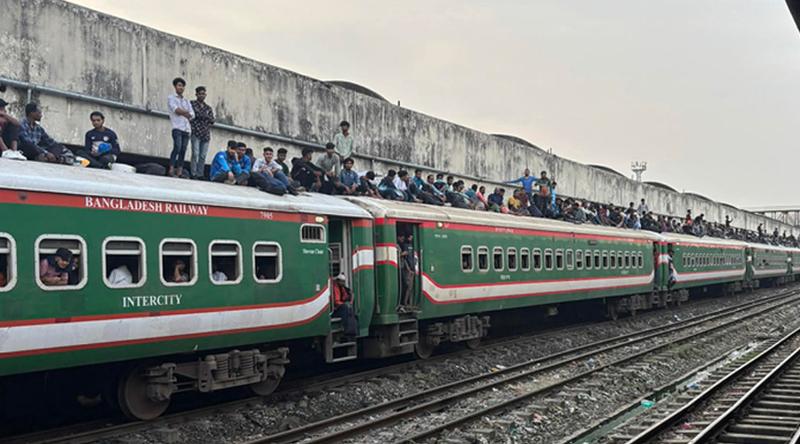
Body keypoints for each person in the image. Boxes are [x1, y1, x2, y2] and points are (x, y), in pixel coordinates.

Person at [167, 77, 195, 177]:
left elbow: (192, 115)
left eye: (182, 86)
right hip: (177, 127)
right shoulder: (171, 98)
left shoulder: (186, 101)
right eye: (179, 85)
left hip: (186, 129)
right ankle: (171, 169)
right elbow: (176, 110)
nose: (181, 88)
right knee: (177, 147)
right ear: (175, 86)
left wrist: (184, 113)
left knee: (183, 150)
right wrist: (186, 113)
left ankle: (179, 171)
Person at [189, 86, 215, 179]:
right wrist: (205, 117)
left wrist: (203, 116)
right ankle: (193, 173)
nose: (202, 95)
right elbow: (194, 115)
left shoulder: (208, 107)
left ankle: (200, 174)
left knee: (203, 156)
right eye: (200, 93)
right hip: (196, 132)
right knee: (195, 154)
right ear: (196, 94)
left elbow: (212, 120)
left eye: (203, 93)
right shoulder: (192, 104)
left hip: (206, 134)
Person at [398, 233, 416, 309]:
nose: (411, 239)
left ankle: (407, 302)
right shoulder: (404, 245)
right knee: (407, 285)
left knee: (410, 287)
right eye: (410, 237)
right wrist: (409, 269)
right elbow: (404, 259)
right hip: (407, 269)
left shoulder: (411, 245)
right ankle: (404, 303)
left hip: (411, 268)